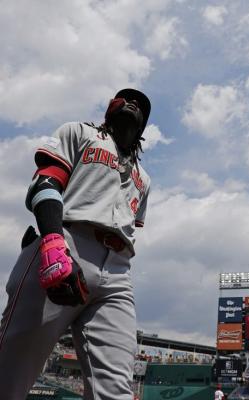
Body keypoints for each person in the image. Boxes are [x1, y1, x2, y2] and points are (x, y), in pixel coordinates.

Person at [0, 89, 152, 399]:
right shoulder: (79, 132)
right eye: (125, 98)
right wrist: (53, 240)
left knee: (115, 391)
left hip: (118, 270)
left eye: (141, 104)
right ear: (110, 107)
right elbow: (46, 183)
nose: (133, 102)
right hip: (66, 241)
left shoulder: (144, 178)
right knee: (8, 378)